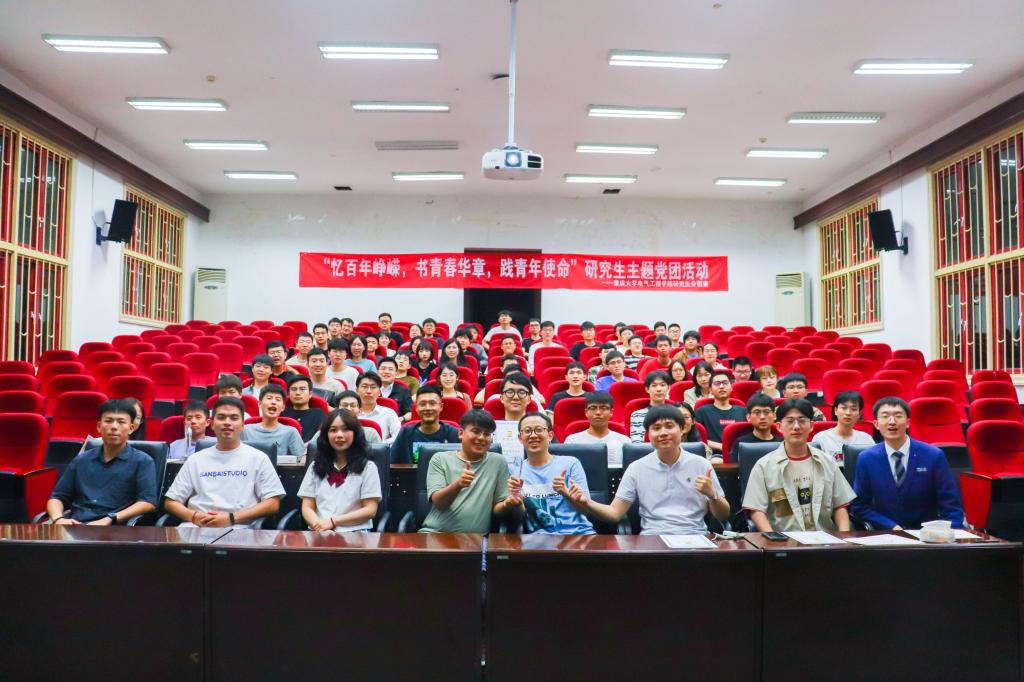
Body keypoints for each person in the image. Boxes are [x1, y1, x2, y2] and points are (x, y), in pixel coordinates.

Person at [566, 405, 729, 534]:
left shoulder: (701, 464)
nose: (663, 433)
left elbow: (723, 515)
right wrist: (587, 502)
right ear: (648, 435)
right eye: (656, 428)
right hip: (652, 538)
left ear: (682, 429)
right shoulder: (637, 468)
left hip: (695, 537)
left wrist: (712, 495)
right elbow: (615, 513)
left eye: (669, 426)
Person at [164, 396, 285, 527]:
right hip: (197, 526)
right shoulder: (195, 460)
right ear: (212, 423)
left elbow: (273, 503)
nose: (227, 422)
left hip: (240, 527)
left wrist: (231, 518)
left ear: (243, 425)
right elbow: (171, 502)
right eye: (221, 417)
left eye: (234, 418)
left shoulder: (258, 458)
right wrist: (194, 516)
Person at [742, 398, 854, 533]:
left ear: (811, 425)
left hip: (825, 539)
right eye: (790, 421)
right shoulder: (763, 466)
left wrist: (844, 538)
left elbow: (840, 506)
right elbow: (757, 511)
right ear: (779, 426)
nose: (796, 427)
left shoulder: (828, 462)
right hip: (783, 541)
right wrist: (773, 540)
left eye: (802, 421)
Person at [851, 397, 965, 530]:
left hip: (927, 535)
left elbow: (951, 505)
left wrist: (950, 533)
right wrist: (890, 525)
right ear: (876, 424)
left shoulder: (933, 455)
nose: (892, 422)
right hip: (887, 534)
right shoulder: (866, 458)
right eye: (885, 416)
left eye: (898, 416)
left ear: (908, 423)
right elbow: (859, 506)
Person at [45, 399, 157, 524]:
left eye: (121, 422)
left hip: (114, 527)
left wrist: (110, 518)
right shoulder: (82, 459)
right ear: (99, 427)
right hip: (75, 524)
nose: (114, 427)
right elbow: (57, 497)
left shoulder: (143, 461)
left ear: (131, 428)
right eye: (108, 421)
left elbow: (147, 502)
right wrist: (58, 519)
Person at [420, 409, 522, 533]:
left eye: (487, 434)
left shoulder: (498, 462)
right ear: (461, 433)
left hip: (475, 539)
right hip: (436, 533)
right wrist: (458, 484)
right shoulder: (440, 459)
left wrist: (508, 503)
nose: (481, 438)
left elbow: (497, 511)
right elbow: (439, 503)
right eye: (476, 431)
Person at [508, 412, 595, 535]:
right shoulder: (514, 471)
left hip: (578, 534)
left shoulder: (571, 463)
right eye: (527, 431)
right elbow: (518, 519)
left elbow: (586, 511)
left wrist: (565, 492)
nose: (533, 435)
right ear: (520, 438)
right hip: (539, 540)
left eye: (539, 430)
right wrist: (517, 501)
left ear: (550, 435)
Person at [299, 408, 382, 532]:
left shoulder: (368, 468)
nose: (339, 435)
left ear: (355, 433)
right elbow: (307, 507)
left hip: (355, 533)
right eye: (333, 430)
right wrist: (319, 526)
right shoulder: (315, 466)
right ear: (326, 435)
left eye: (345, 429)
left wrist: (333, 522)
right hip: (319, 531)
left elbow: (370, 510)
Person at [390, 385, 461, 464]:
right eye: (422, 404)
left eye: (432, 403)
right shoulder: (405, 433)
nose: (427, 408)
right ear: (416, 408)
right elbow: (391, 463)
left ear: (441, 406)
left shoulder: (454, 434)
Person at [564, 391, 631, 467]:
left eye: (603, 408)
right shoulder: (572, 441)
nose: (598, 412)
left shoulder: (624, 442)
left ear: (611, 412)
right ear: (586, 412)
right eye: (593, 408)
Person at [242, 384, 307, 462]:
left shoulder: (290, 432)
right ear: (260, 404)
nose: (273, 402)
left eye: (278, 399)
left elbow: (301, 460)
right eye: (269, 398)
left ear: (283, 407)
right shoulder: (246, 430)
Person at [811, 390, 875, 467]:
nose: (848, 413)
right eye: (844, 408)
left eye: (853, 409)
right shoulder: (821, 439)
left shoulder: (867, 439)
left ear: (859, 413)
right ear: (835, 410)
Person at [694, 371, 747, 455]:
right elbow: (697, 437)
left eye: (725, 383)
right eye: (717, 383)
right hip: (713, 454)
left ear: (731, 387)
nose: (721, 386)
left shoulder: (743, 411)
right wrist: (722, 447)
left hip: (741, 453)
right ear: (710, 390)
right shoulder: (702, 412)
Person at [729, 393, 782, 462]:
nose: (762, 417)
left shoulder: (782, 443)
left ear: (774, 415)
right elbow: (734, 467)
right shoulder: (741, 443)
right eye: (757, 412)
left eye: (766, 412)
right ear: (748, 417)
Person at [355, 371, 402, 442]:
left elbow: (398, 437)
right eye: (364, 387)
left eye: (373, 387)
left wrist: (379, 445)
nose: (368, 391)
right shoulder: (350, 413)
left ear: (379, 392)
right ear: (357, 390)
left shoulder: (389, 413)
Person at [282, 375, 327, 444]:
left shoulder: (319, 414)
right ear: (288, 394)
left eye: (302, 389)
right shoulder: (282, 413)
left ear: (310, 394)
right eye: (293, 389)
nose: (297, 393)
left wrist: (303, 447)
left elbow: (321, 436)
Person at [629, 371, 671, 443]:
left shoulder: (676, 413)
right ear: (647, 389)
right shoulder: (637, 415)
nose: (658, 389)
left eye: (662, 385)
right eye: (654, 385)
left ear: (669, 388)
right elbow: (637, 444)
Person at [377, 357, 413, 421]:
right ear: (377, 372)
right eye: (383, 368)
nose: (386, 372)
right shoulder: (371, 389)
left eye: (390, 369)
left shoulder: (404, 391)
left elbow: (410, 413)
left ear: (396, 373)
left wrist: (401, 419)